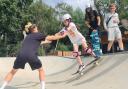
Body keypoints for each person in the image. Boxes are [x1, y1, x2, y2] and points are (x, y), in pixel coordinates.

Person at [0, 23, 64, 89]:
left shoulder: (28, 37)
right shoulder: (38, 35)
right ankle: (43, 88)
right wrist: (61, 36)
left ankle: (2, 87)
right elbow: (52, 38)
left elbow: (44, 41)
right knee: (41, 70)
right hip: (31, 55)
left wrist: (56, 35)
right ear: (35, 29)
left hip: (21, 55)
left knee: (12, 72)